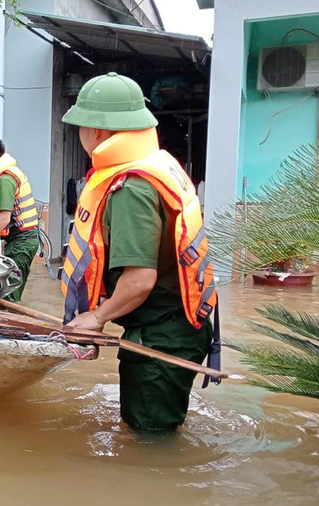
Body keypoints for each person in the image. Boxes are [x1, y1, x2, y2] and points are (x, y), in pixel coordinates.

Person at [60, 72, 218, 431]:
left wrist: (97, 317)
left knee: (150, 442)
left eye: (80, 125)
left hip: (161, 337)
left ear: (98, 131)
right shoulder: (157, 166)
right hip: (176, 327)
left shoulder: (130, 188)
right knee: (154, 428)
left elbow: (140, 280)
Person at [0, 138, 39, 302]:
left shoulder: (5, 180)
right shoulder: (8, 174)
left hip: (22, 243)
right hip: (18, 240)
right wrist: (6, 239)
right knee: (7, 290)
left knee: (10, 295)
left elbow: (4, 218)